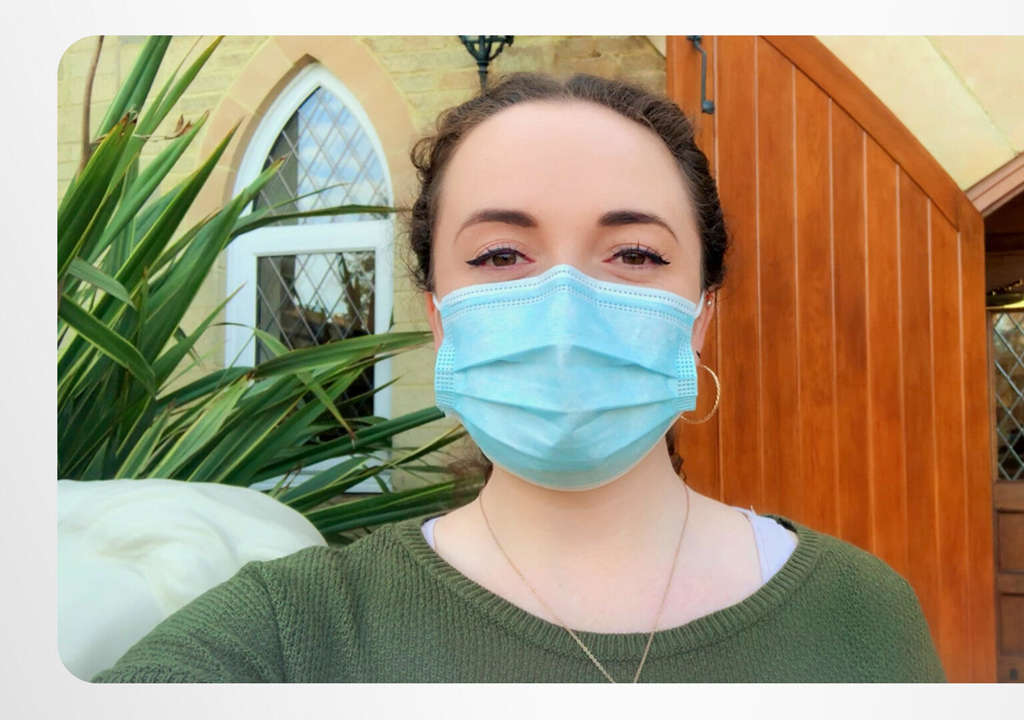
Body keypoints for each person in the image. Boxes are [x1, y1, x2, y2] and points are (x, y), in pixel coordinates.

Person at [92, 72, 945, 683]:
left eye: (635, 253)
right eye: (501, 255)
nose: (566, 305)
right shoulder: (290, 633)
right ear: (439, 315)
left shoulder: (863, 615)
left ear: (701, 316)